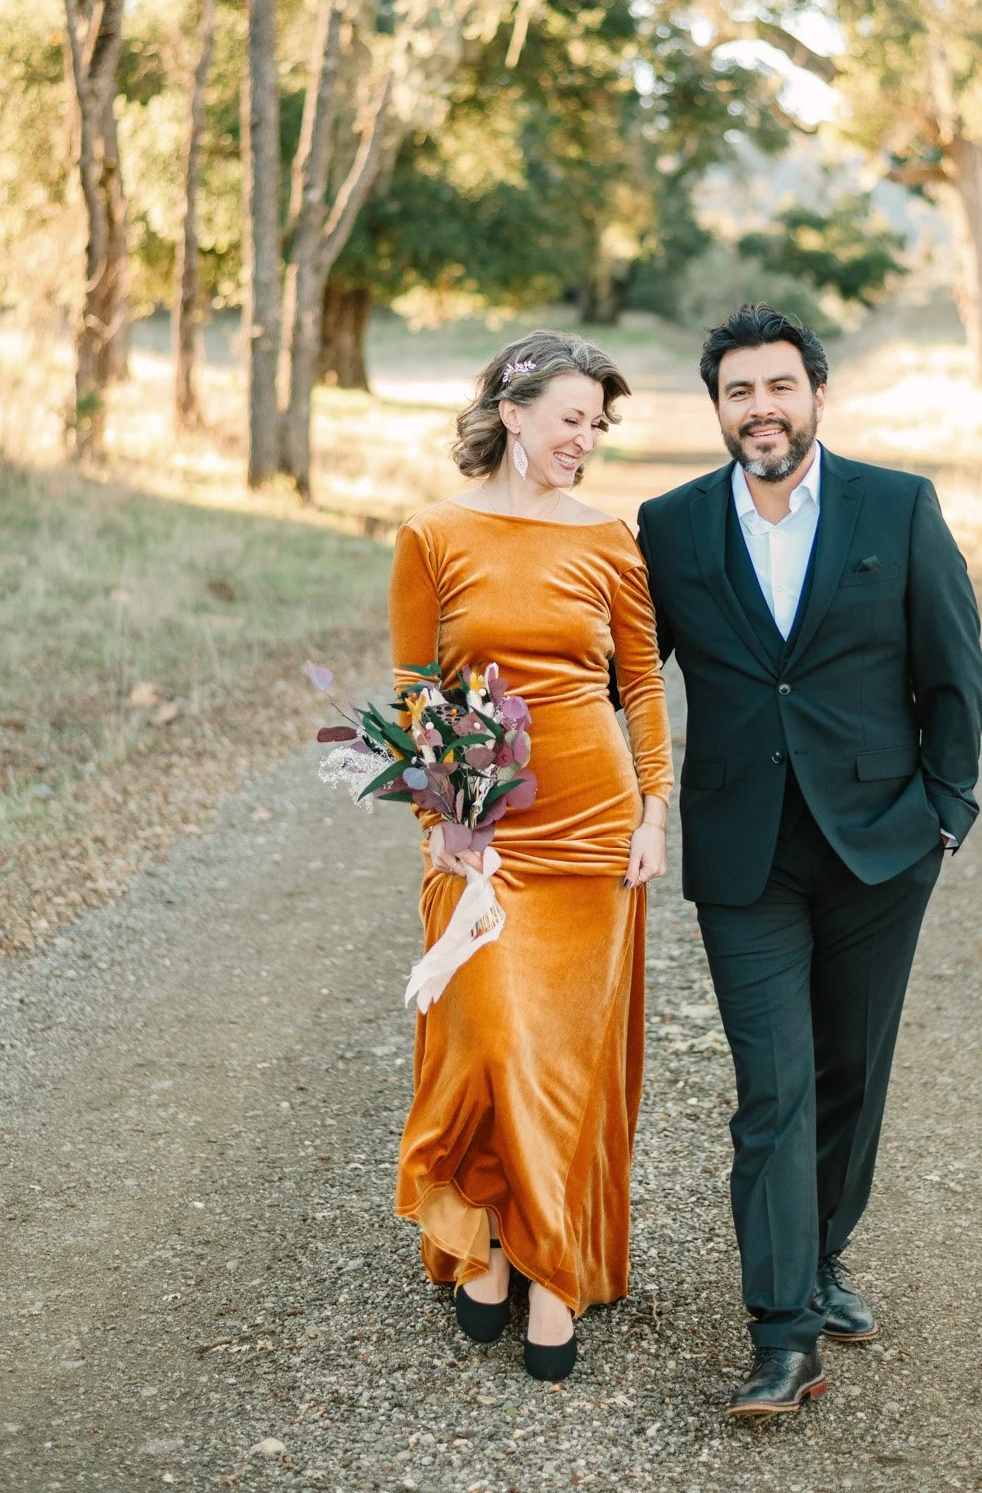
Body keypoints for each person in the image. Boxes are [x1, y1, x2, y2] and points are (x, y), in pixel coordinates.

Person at [636, 303, 982, 1418]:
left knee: (849, 1071)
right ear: (717, 408)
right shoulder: (670, 525)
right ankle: (781, 1330)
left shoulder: (897, 504)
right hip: (744, 854)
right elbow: (622, 683)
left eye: (778, 386)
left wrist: (944, 809)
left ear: (816, 394)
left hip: (881, 842)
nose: (760, 408)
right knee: (773, 1089)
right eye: (738, 391)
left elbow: (954, 673)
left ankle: (822, 1248)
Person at [388, 328, 673, 1382]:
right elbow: (419, 688)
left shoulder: (609, 538)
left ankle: (551, 1263)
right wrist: (445, 823)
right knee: (491, 1038)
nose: (585, 438)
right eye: (571, 417)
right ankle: (492, 1231)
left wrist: (654, 810)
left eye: (598, 423)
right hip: (481, 826)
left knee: (564, 1054)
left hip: (593, 820)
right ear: (512, 412)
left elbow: (638, 684)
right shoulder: (430, 534)